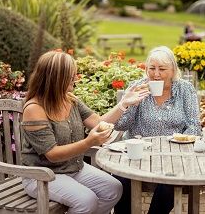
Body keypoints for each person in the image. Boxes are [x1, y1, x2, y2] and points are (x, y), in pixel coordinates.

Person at [21, 50, 150, 214]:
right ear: (55, 78)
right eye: (71, 75)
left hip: (73, 168)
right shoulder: (34, 109)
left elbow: (98, 122)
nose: (76, 79)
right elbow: (52, 154)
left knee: (114, 189)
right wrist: (89, 142)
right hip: (42, 175)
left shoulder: (69, 99)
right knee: (87, 201)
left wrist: (124, 104)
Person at [113, 46, 201, 214]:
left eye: (162, 69)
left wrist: (178, 143)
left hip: (173, 156)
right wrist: (130, 104)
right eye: (151, 68)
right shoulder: (138, 87)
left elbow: (194, 125)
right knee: (121, 180)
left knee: (169, 182)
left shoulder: (185, 89)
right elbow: (121, 125)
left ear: (173, 70)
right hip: (138, 155)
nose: (156, 74)